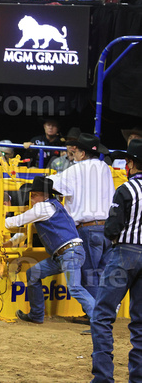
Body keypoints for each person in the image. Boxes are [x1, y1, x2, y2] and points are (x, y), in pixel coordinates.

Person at [3, 176, 95, 324]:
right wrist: (11, 241)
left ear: (44, 195)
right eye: (32, 196)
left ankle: (100, 320)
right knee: (33, 274)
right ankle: (36, 315)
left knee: (75, 288)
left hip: (68, 253)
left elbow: (16, 221)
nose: (32, 199)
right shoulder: (54, 206)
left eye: (35, 195)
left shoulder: (43, 207)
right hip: (66, 253)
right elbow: (26, 230)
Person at [90, 139, 142, 382]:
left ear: (130, 164)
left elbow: (112, 228)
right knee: (140, 322)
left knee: (102, 315)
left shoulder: (125, 190)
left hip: (124, 254)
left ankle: (103, 377)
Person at [48, 133, 115, 304]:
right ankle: (104, 315)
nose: (74, 154)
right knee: (101, 274)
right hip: (107, 228)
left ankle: (95, 319)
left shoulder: (75, 170)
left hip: (88, 228)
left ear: (82, 154)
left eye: (76, 151)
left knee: (90, 275)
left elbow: (51, 183)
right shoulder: (105, 168)